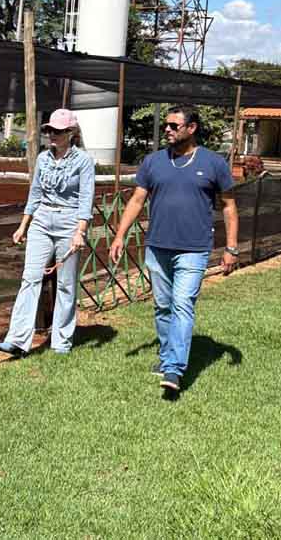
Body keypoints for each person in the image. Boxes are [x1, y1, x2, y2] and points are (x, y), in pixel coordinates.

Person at [109, 105, 239, 393]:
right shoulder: (153, 162)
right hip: (157, 247)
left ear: (191, 128)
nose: (167, 130)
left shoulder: (214, 163)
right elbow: (137, 200)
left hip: (194, 248)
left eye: (173, 126)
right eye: (165, 125)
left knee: (182, 304)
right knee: (163, 306)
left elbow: (229, 206)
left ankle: (174, 368)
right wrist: (119, 236)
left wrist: (231, 248)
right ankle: (168, 354)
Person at [0, 109, 95, 357]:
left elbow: (86, 199)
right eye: (49, 130)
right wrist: (23, 226)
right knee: (30, 278)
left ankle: (61, 341)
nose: (52, 134)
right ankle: (17, 340)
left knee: (66, 284)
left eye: (58, 131)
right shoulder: (43, 158)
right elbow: (35, 194)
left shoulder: (83, 161)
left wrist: (80, 231)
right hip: (42, 220)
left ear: (70, 133)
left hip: (70, 221)